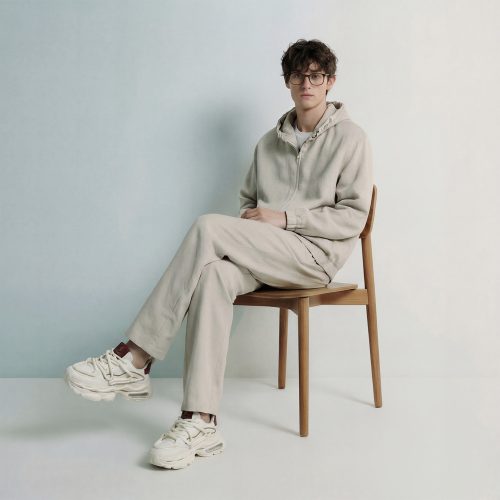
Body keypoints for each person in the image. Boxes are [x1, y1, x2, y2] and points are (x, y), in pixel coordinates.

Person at [64, 38, 374, 470]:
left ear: (330, 82)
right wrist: (254, 225)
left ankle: (135, 355)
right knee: (212, 275)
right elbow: (249, 203)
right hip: (267, 253)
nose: (307, 83)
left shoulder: (351, 138)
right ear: (287, 82)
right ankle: (201, 420)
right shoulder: (267, 144)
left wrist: (286, 218)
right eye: (298, 75)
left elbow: (353, 217)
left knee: (208, 226)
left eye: (316, 76)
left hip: (313, 258)